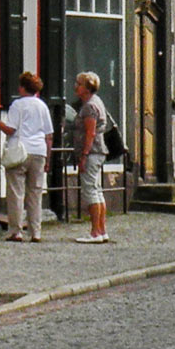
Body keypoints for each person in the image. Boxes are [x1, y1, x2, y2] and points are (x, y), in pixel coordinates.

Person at [0, 71, 53, 242]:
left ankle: (16, 231)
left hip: (20, 151)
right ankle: (36, 232)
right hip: (39, 151)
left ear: (23, 87)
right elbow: (49, 135)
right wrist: (48, 157)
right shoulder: (42, 106)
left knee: (16, 192)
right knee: (35, 193)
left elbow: (10, 129)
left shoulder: (18, 105)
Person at [69, 71, 116, 243]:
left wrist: (84, 155)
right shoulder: (97, 102)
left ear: (87, 88)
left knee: (90, 191)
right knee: (97, 190)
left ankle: (95, 232)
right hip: (98, 151)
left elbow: (90, 132)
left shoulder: (89, 106)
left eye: (79, 84)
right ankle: (101, 230)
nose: (76, 86)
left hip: (92, 152)